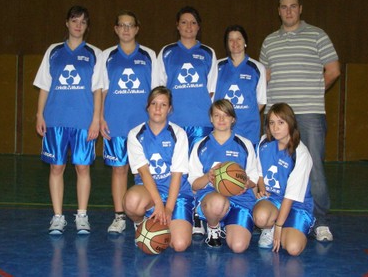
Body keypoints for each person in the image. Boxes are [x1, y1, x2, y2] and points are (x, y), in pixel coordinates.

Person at [259, 0, 340, 241]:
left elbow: (333, 70)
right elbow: (264, 78)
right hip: (277, 117)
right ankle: (272, 218)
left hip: (309, 113)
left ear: (301, 9)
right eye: (284, 7)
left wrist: (313, 92)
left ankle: (321, 222)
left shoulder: (318, 35)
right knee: (272, 165)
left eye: (293, 6)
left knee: (313, 167)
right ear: (279, 10)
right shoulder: (269, 41)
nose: (289, 11)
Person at [34, 5, 102, 235]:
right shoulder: (53, 51)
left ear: (87, 26)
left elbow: (98, 91)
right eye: (74, 20)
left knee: (82, 167)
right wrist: (39, 114)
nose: (78, 25)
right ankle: (57, 217)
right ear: (67, 23)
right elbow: (44, 86)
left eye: (83, 22)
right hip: (55, 119)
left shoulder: (95, 53)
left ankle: (82, 216)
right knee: (56, 167)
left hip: (83, 121)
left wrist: (96, 120)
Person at [157, 6, 218, 235]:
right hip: (175, 123)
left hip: (201, 122)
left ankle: (197, 215)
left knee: (198, 170)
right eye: (184, 22)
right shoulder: (166, 52)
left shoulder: (208, 53)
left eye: (193, 22)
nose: (188, 27)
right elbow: (160, 89)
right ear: (177, 25)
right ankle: (176, 211)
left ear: (199, 27)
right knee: (177, 170)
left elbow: (212, 91)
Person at [99, 10, 158, 234]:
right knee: (119, 170)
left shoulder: (149, 55)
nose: (126, 29)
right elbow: (102, 90)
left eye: (130, 25)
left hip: (143, 126)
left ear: (137, 29)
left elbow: (156, 92)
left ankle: (148, 212)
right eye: (121, 25)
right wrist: (101, 117)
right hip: (115, 122)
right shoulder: (106, 56)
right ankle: (120, 215)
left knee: (146, 171)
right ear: (115, 29)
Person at [122, 86, 193, 252]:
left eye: (163, 104)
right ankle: (141, 225)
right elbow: (144, 173)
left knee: (179, 245)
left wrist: (168, 208)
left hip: (177, 193)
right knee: (131, 201)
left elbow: (177, 175)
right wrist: (158, 203)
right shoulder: (135, 134)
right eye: (154, 103)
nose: (158, 108)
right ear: (147, 107)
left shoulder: (178, 133)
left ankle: (177, 220)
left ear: (170, 109)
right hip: (149, 190)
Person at [188, 99, 258, 253]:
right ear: (211, 118)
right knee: (218, 202)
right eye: (216, 115)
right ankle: (213, 227)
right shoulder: (200, 145)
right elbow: (194, 184)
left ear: (233, 119)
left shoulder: (245, 144)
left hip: (240, 198)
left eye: (225, 115)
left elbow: (254, 177)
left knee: (238, 247)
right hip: (212, 198)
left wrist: (246, 184)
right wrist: (208, 176)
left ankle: (228, 223)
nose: (221, 119)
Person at [254, 103, 314, 256]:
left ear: (291, 123)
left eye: (281, 122)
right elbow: (260, 173)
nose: (275, 128)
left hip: (296, 204)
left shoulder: (301, 153)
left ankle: (295, 225)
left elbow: (290, 197)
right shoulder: (264, 143)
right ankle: (269, 227)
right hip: (273, 199)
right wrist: (262, 190)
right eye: (272, 123)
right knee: (260, 217)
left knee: (293, 249)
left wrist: (280, 226)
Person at [214, 25, 266, 145]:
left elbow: (261, 101)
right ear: (226, 43)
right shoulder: (217, 66)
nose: (235, 43)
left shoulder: (257, 68)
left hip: (248, 130)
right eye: (231, 39)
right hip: (222, 128)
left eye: (239, 39)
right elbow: (211, 97)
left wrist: (244, 114)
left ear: (245, 42)